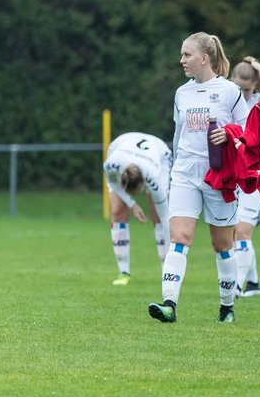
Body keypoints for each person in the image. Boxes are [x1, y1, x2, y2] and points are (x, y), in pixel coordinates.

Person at [147, 33, 248, 324]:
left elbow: (247, 132)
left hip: (219, 172)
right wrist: (173, 169)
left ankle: (227, 308)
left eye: (186, 55)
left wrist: (229, 134)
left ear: (204, 58)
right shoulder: (182, 93)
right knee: (179, 238)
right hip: (185, 172)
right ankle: (169, 305)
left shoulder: (229, 91)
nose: (181, 60)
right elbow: (179, 136)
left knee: (222, 245)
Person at [229, 56, 260, 297]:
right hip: (234, 172)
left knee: (243, 231)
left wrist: (258, 66)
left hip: (256, 175)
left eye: (246, 89)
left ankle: (237, 286)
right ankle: (253, 283)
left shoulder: (256, 104)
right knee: (234, 231)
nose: (241, 93)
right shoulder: (228, 102)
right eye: (237, 87)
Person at [103, 132, 173, 285]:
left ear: (144, 185)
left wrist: (172, 253)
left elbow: (165, 216)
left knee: (157, 215)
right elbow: (114, 184)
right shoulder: (111, 164)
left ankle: (167, 270)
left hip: (159, 153)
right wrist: (132, 205)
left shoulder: (153, 177)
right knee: (117, 210)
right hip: (120, 145)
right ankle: (123, 272)